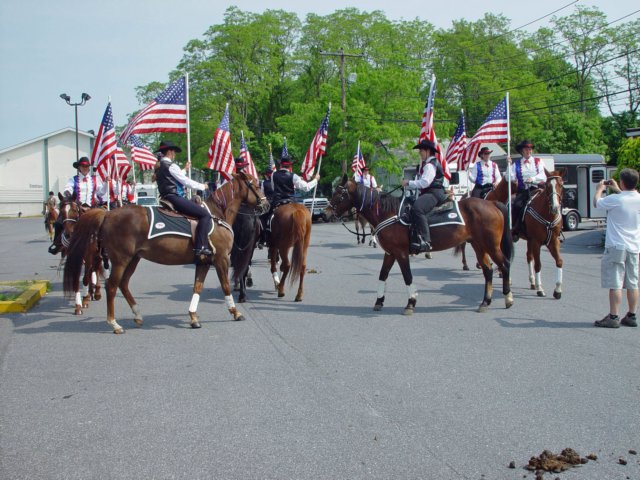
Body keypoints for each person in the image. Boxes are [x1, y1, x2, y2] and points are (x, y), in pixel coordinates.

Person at [593, 168, 640, 328]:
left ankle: (613, 316)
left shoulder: (615, 199)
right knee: (632, 282)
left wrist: (600, 189)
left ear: (622, 181)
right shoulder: (638, 198)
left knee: (616, 282)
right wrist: (617, 189)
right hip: (634, 246)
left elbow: (597, 203)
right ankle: (632, 315)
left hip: (616, 245)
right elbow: (626, 198)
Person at [154, 140, 212, 260]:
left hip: (165, 197)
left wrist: (185, 169)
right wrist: (202, 186)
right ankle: (200, 246)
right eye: (174, 151)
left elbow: (177, 176)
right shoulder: (171, 166)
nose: (174, 153)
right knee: (205, 215)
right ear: (169, 151)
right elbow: (185, 181)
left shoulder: (160, 166)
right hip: (174, 197)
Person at [402, 140, 447, 253]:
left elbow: (425, 182)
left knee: (418, 208)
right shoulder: (430, 164)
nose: (420, 153)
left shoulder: (430, 165)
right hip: (433, 192)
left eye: (421, 150)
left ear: (427, 151)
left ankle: (426, 240)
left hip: (434, 193)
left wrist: (408, 183)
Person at [508, 140, 547, 240]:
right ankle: (516, 229)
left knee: (553, 201)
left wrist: (533, 179)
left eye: (530, 149)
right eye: (526, 149)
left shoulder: (539, 161)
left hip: (537, 188)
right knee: (516, 205)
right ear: (522, 151)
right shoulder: (516, 164)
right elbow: (510, 178)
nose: (528, 151)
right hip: (524, 191)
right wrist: (509, 165)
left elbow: (543, 175)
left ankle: (556, 228)